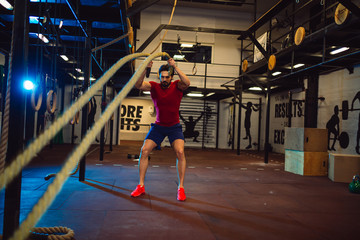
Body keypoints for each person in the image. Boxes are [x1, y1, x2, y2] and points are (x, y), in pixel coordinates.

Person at [131, 58, 190, 201]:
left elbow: (187, 83)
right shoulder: (154, 86)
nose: (164, 79)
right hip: (158, 126)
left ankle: (181, 188)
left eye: (167, 77)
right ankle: (141, 186)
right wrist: (145, 68)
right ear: (159, 77)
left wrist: (174, 66)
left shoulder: (177, 86)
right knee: (144, 151)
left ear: (171, 77)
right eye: (162, 77)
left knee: (180, 152)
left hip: (174, 127)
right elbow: (138, 84)